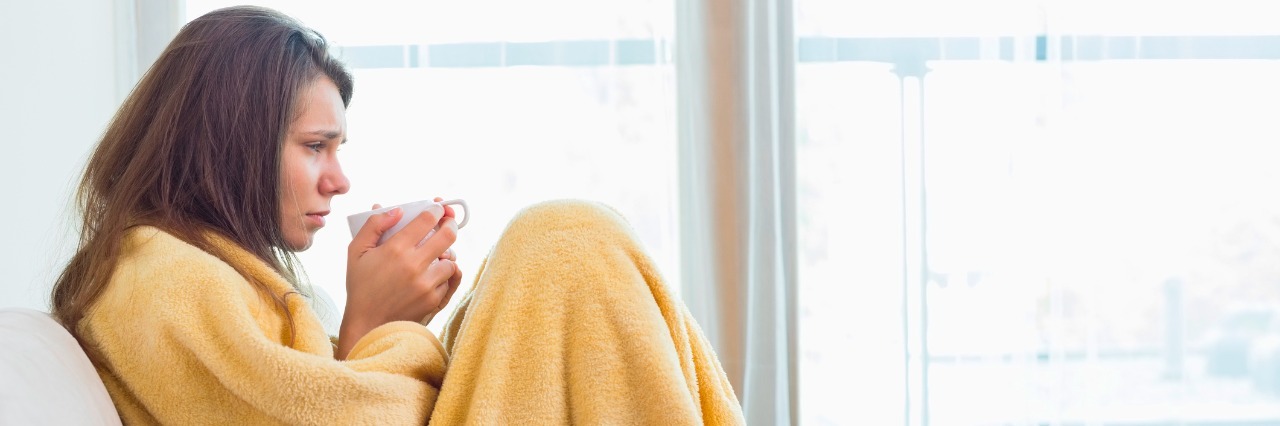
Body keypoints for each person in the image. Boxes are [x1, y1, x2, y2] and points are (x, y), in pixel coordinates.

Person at [51, 5, 744, 425]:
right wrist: (377, 325)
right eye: (315, 147)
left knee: (567, 244)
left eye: (339, 148)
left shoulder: (197, 276)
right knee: (562, 238)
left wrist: (393, 326)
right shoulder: (156, 281)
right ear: (231, 136)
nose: (339, 178)